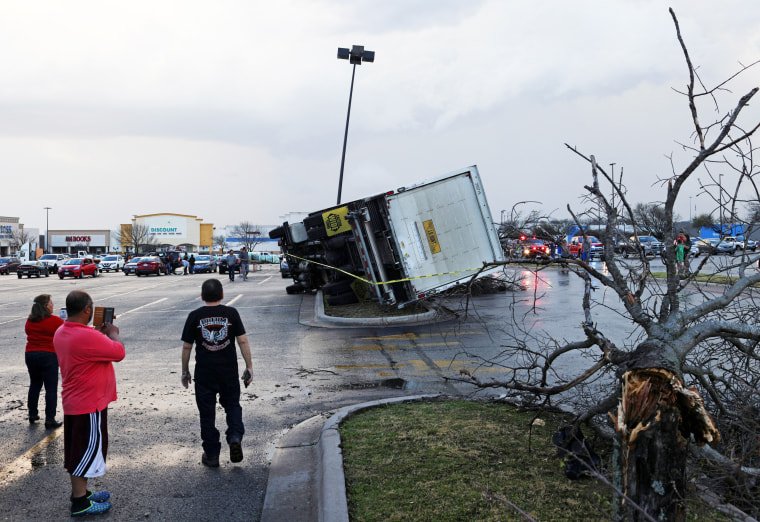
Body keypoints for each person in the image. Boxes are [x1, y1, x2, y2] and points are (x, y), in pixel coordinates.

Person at [53, 290, 125, 517]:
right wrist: (113, 333)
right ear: (86, 309)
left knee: (80, 449)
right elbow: (119, 352)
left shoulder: (63, 331)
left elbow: (86, 343)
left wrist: (97, 334)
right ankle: (80, 503)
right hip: (88, 404)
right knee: (84, 453)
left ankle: (82, 493)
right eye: (91, 306)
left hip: (77, 401)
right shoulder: (86, 337)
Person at [181, 279, 253, 467]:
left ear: (202, 296)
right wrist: (249, 366)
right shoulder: (231, 313)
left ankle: (212, 454)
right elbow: (242, 341)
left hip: (204, 373)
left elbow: (187, 346)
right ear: (222, 295)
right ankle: (235, 436)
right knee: (233, 406)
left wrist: (185, 371)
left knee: (207, 414)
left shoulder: (194, 316)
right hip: (228, 371)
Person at [25, 294, 64, 429]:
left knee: (35, 384)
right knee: (51, 388)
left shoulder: (30, 320)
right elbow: (63, 332)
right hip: (48, 354)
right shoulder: (55, 320)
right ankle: (50, 419)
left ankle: (32, 413)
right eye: (51, 303)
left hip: (30, 354)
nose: (53, 305)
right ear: (46, 306)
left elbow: (27, 332)